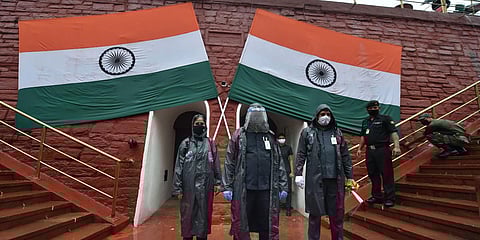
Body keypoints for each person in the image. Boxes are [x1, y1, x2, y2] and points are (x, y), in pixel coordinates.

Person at [223, 103, 288, 240]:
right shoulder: (239, 135)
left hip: (266, 189)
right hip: (245, 188)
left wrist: (283, 186)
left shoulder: (270, 137)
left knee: (266, 224)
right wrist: (227, 186)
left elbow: (279, 163)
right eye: (254, 114)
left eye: (260, 114)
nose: (257, 117)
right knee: (241, 223)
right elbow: (229, 161)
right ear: (248, 116)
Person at [294, 104, 354, 240]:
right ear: (316, 116)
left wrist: (350, 177)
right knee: (315, 215)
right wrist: (298, 173)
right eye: (322, 114)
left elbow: (345, 156)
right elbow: (301, 154)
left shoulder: (337, 133)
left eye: (328, 114)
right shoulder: (307, 132)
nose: (325, 117)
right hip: (316, 181)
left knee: (337, 214)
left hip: (335, 180)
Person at [172, 114, 222, 240]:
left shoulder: (210, 144)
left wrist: (217, 182)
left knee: (203, 217)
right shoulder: (186, 144)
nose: (200, 126)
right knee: (188, 217)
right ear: (192, 126)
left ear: (205, 125)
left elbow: (216, 164)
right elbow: (179, 167)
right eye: (197, 123)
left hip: (206, 187)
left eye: (202, 123)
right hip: (188, 188)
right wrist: (177, 188)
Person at [356, 100, 401, 208]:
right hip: (370, 151)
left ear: (378, 108)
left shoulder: (385, 119)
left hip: (382, 149)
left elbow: (393, 133)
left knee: (386, 174)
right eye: (371, 108)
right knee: (373, 174)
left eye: (375, 107)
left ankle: (389, 197)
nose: (373, 109)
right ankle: (377, 196)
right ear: (367, 109)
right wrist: (359, 148)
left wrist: (397, 146)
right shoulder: (365, 121)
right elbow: (363, 136)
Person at [277, 133, 294, 216]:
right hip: (278, 171)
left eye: (283, 138)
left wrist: (292, 171)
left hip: (287, 170)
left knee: (288, 190)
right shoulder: (276, 148)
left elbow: (291, 159)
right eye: (280, 138)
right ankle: (277, 207)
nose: (281, 139)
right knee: (277, 189)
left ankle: (288, 208)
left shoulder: (288, 148)